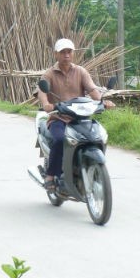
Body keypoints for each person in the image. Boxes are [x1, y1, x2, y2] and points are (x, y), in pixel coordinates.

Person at [37, 38, 115, 191]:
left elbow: (92, 90)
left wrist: (102, 101)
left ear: (73, 53)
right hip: (58, 117)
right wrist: (46, 104)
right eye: (62, 52)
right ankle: (51, 175)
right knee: (60, 140)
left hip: (80, 118)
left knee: (97, 136)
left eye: (69, 52)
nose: (66, 55)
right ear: (56, 54)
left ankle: (91, 165)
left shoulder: (80, 71)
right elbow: (42, 91)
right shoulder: (49, 74)